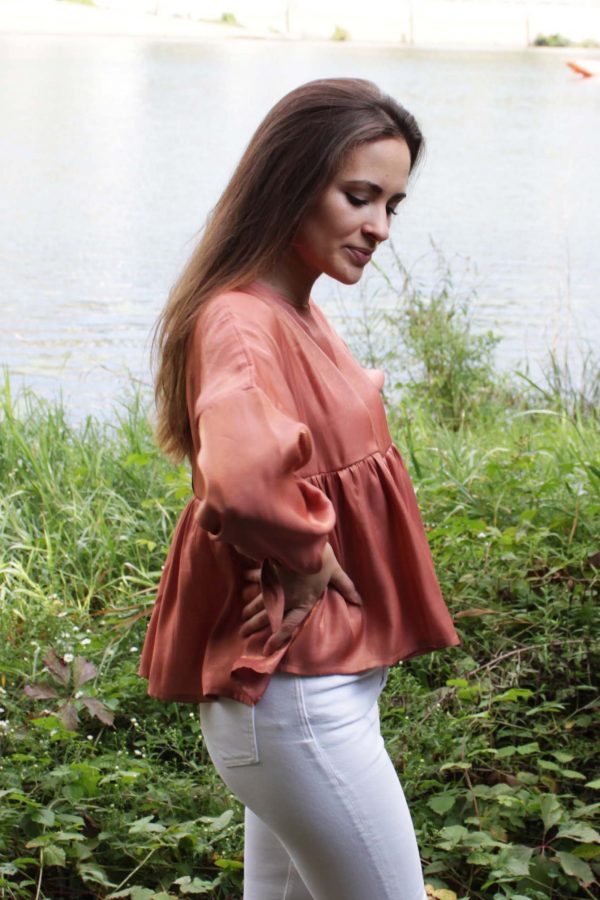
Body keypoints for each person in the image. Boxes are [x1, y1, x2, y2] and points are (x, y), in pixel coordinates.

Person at [139, 77, 460, 900]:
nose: (380, 227)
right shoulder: (242, 320)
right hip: (297, 704)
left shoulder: (293, 310)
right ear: (290, 181)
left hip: (311, 696)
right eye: (360, 197)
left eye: (392, 205)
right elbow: (242, 478)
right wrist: (307, 555)